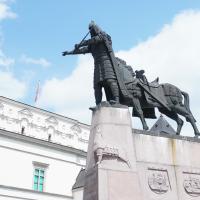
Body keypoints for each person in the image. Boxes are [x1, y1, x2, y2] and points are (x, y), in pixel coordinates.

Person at [63, 21, 120, 106]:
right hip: (97, 64)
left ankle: (117, 100)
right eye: (90, 30)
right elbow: (82, 50)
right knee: (97, 85)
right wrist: (69, 52)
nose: (91, 31)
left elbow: (95, 40)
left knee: (110, 80)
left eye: (92, 29)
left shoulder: (103, 36)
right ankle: (98, 104)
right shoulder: (92, 45)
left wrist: (81, 43)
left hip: (106, 62)